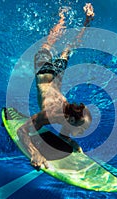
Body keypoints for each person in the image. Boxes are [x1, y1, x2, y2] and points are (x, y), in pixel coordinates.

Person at [17, 3, 94, 170]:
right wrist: (34, 153)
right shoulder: (50, 114)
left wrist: (73, 145)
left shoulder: (68, 120)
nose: (82, 133)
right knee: (51, 42)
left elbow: (64, 136)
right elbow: (22, 131)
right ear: (72, 120)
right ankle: (62, 17)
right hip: (44, 71)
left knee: (68, 49)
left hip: (56, 74)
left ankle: (86, 21)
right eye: (82, 129)